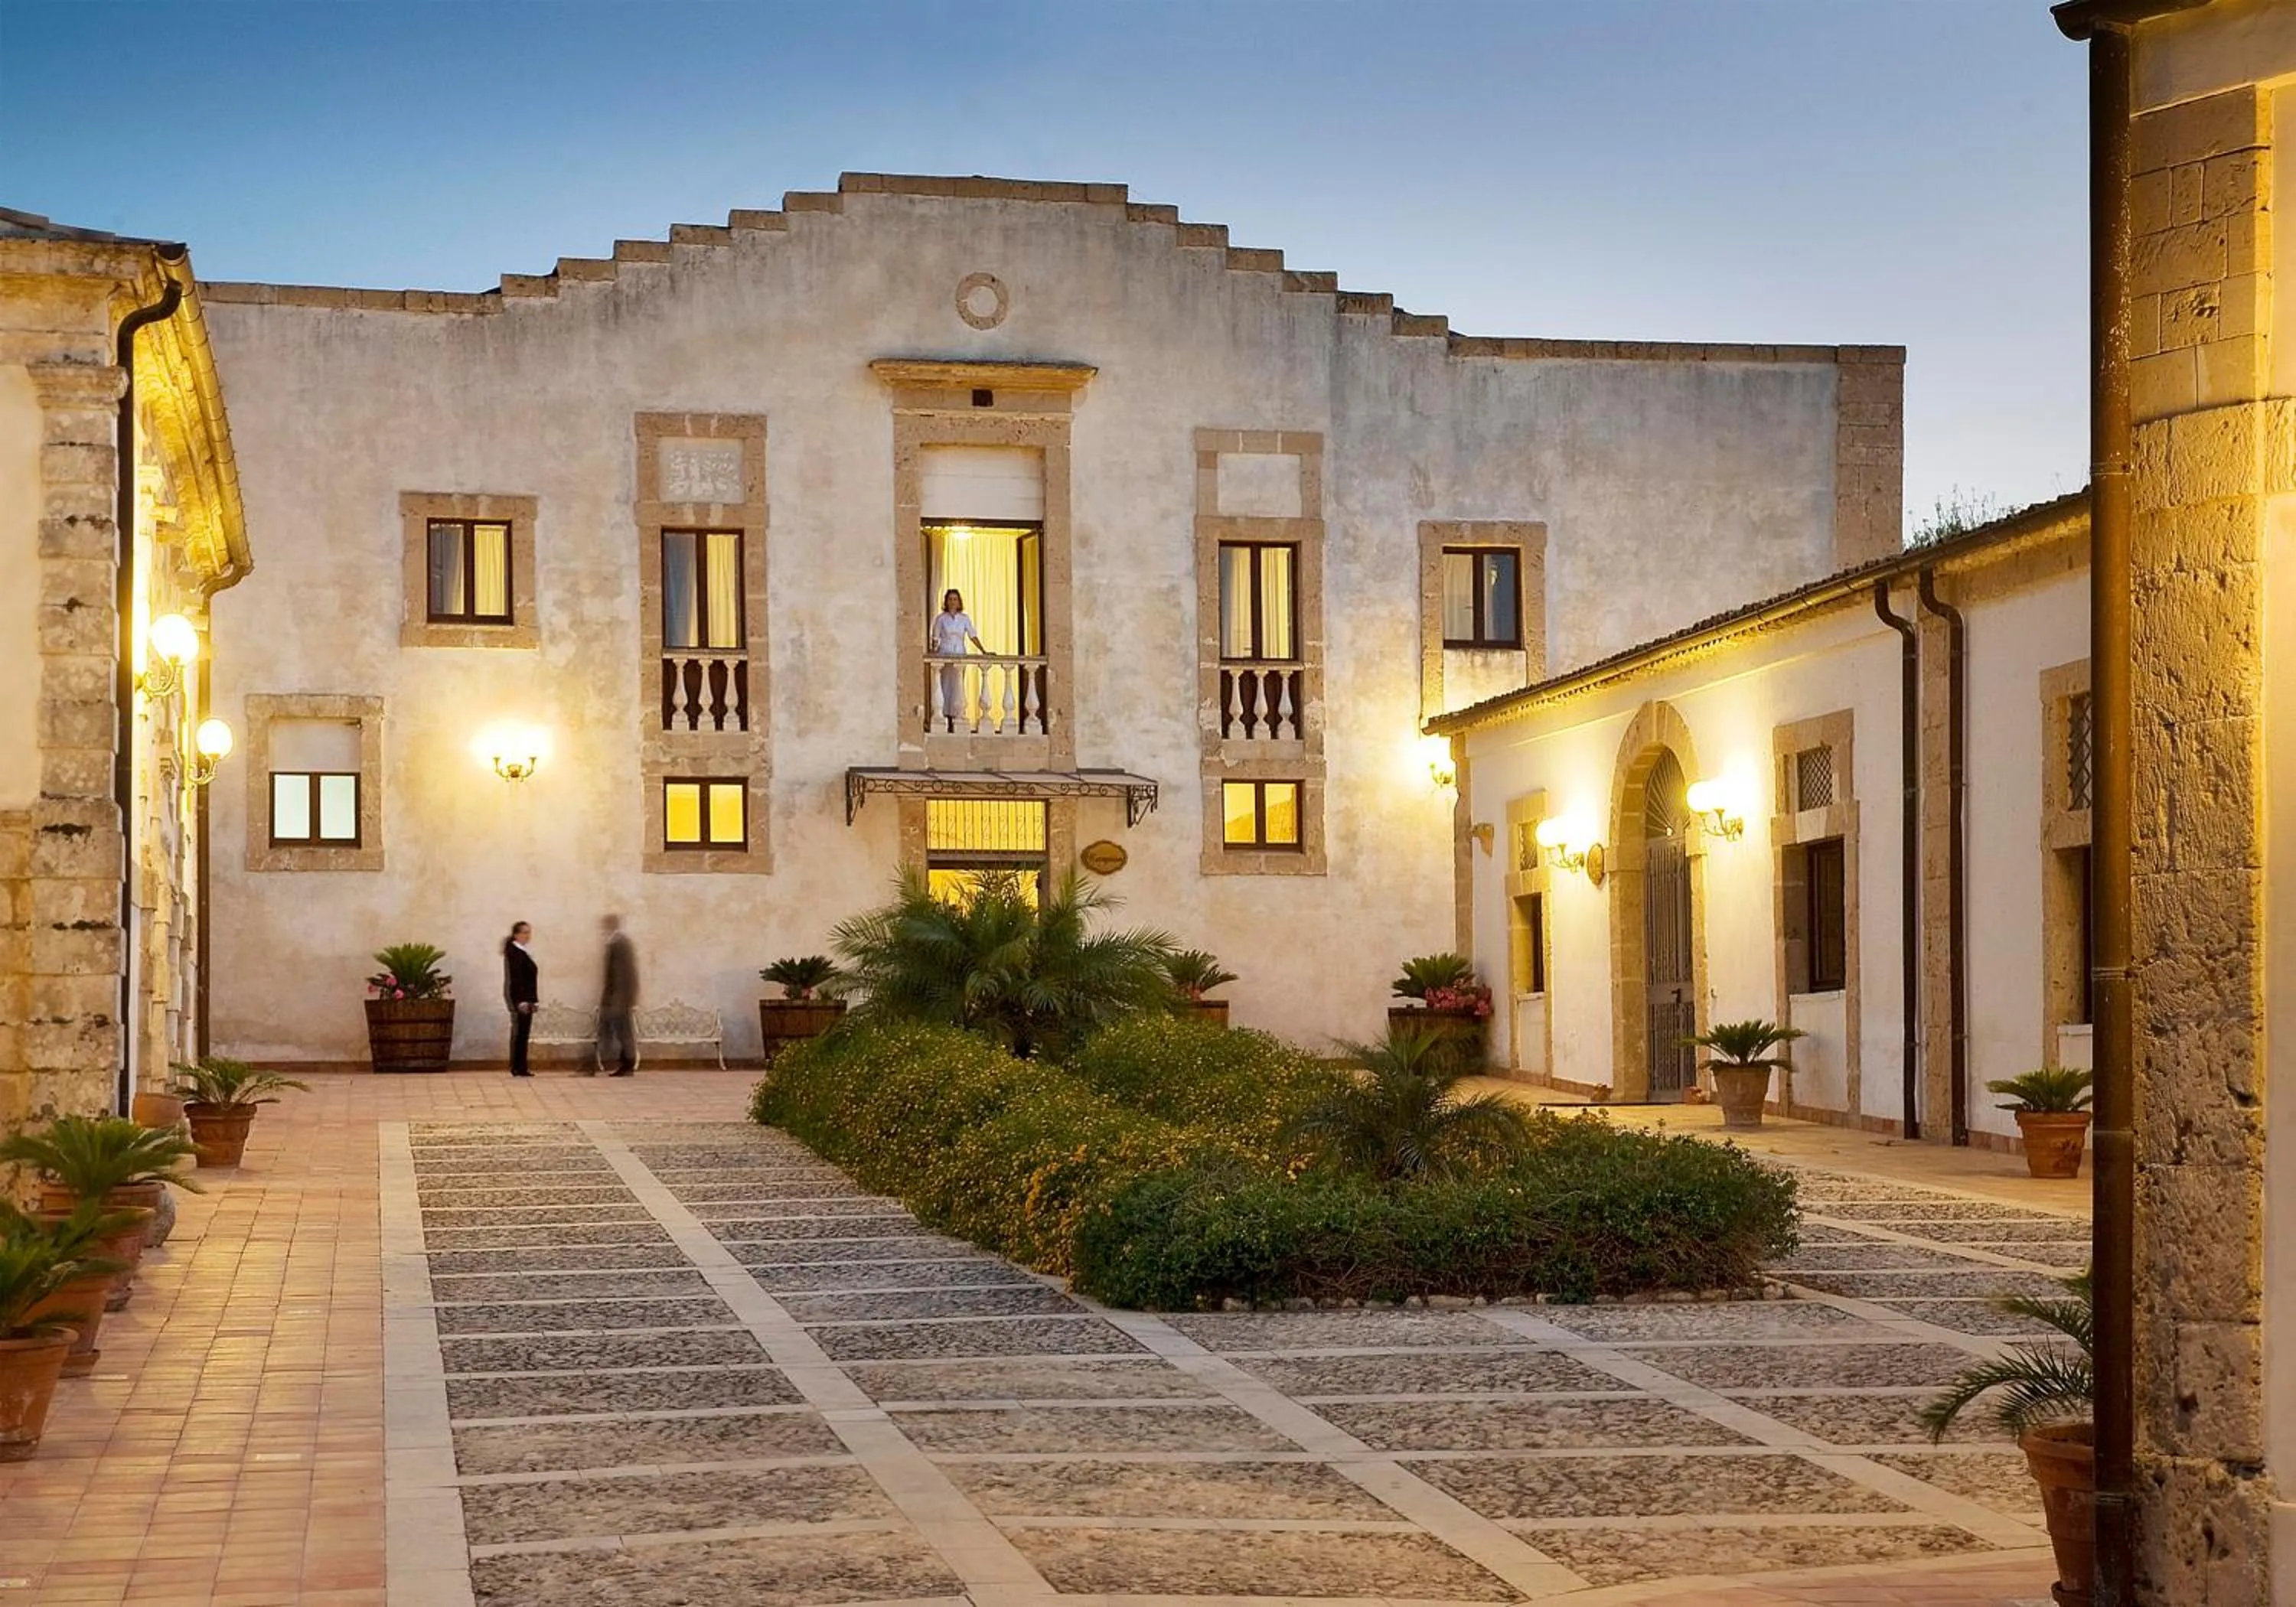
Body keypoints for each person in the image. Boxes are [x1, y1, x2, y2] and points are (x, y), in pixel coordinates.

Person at [930, 588, 987, 731]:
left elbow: (972, 636)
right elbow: (936, 638)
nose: (953, 602)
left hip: (960, 654)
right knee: (945, 685)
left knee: (958, 685)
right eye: (950, 599)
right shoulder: (941, 619)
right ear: (946, 602)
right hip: (945, 654)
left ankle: (956, 716)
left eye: (955, 599)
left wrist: (984, 651)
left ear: (959, 602)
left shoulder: (964, 619)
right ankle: (945, 717)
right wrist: (934, 652)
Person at [595, 914, 639, 1077]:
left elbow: (621, 974)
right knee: (622, 1030)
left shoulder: (619, 943)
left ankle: (628, 1063)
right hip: (618, 997)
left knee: (624, 1031)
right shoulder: (617, 942)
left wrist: (618, 999)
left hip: (620, 998)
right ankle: (625, 1062)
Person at [501, 922, 539, 1077]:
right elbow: (517, 979)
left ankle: (520, 1066)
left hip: (526, 997)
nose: (527, 936)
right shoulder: (516, 952)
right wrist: (521, 1001)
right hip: (521, 998)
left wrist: (533, 999)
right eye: (524, 932)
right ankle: (519, 1067)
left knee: (523, 1032)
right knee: (521, 1033)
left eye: (529, 932)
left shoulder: (521, 951)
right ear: (516, 935)